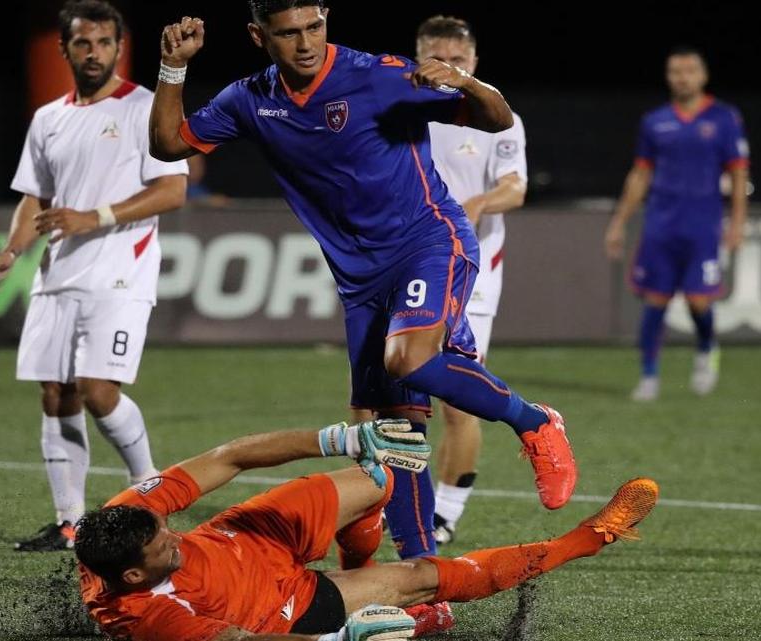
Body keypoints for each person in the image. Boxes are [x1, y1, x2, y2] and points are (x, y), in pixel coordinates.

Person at [146, 0, 575, 587]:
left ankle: (535, 423)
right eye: (288, 33)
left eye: (314, 27)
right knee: (397, 433)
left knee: (410, 358)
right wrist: (173, 70)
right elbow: (169, 145)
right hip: (360, 282)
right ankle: (424, 580)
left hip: (430, 241)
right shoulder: (249, 99)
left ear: (326, 20)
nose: (305, 43)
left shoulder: (377, 75)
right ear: (258, 36)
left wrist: (464, 81)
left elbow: (498, 119)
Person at [75, 419, 658, 641]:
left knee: (378, 475)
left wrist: (342, 438)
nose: (174, 534)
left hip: (246, 537)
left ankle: (359, 568)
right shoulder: (152, 620)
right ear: (133, 575)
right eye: (163, 546)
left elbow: (228, 457)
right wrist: (340, 640)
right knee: (420, 578)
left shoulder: (122, 518)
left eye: (165, 528)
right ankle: (590, 537)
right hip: (278, 607)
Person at [0, 0, 188, 552]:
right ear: (64, 49)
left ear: (119, 47)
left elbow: (173, 189)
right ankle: (69, 522)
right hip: (57, 275)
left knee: (97, 390)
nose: (93, 53)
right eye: (82, 43)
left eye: (103, 43)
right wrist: (11, 251)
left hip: (119, 273)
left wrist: (95, 217)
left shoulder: (145, 108)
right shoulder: (49, 118)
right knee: (55, 393)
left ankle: (154, 500)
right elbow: (35, 197)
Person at [412, 16, 528, 548]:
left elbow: (514, 189)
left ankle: (447, 509)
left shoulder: (497, 116)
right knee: (394, 396)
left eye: (459, 60)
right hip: (409, 266)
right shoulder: (404, 110)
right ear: (419, 56)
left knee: (457, 397)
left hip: (473, 273)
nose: (449, 69)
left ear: (474, 63)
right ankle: (388, 499)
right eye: (439, 58)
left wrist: (476, 204)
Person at [604, 47, 749, 402]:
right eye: (674, 72)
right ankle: (649, 375)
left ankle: (705, 349)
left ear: (703, 76)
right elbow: (640, 174)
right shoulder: (655, 121)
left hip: (702, 225)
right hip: (661, 224)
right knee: (656, 300)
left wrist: (738, 223)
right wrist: (619, 222)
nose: (681, 78)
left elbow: (739, 171)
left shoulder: (724, 118)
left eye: (688, 71)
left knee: (700, 303)